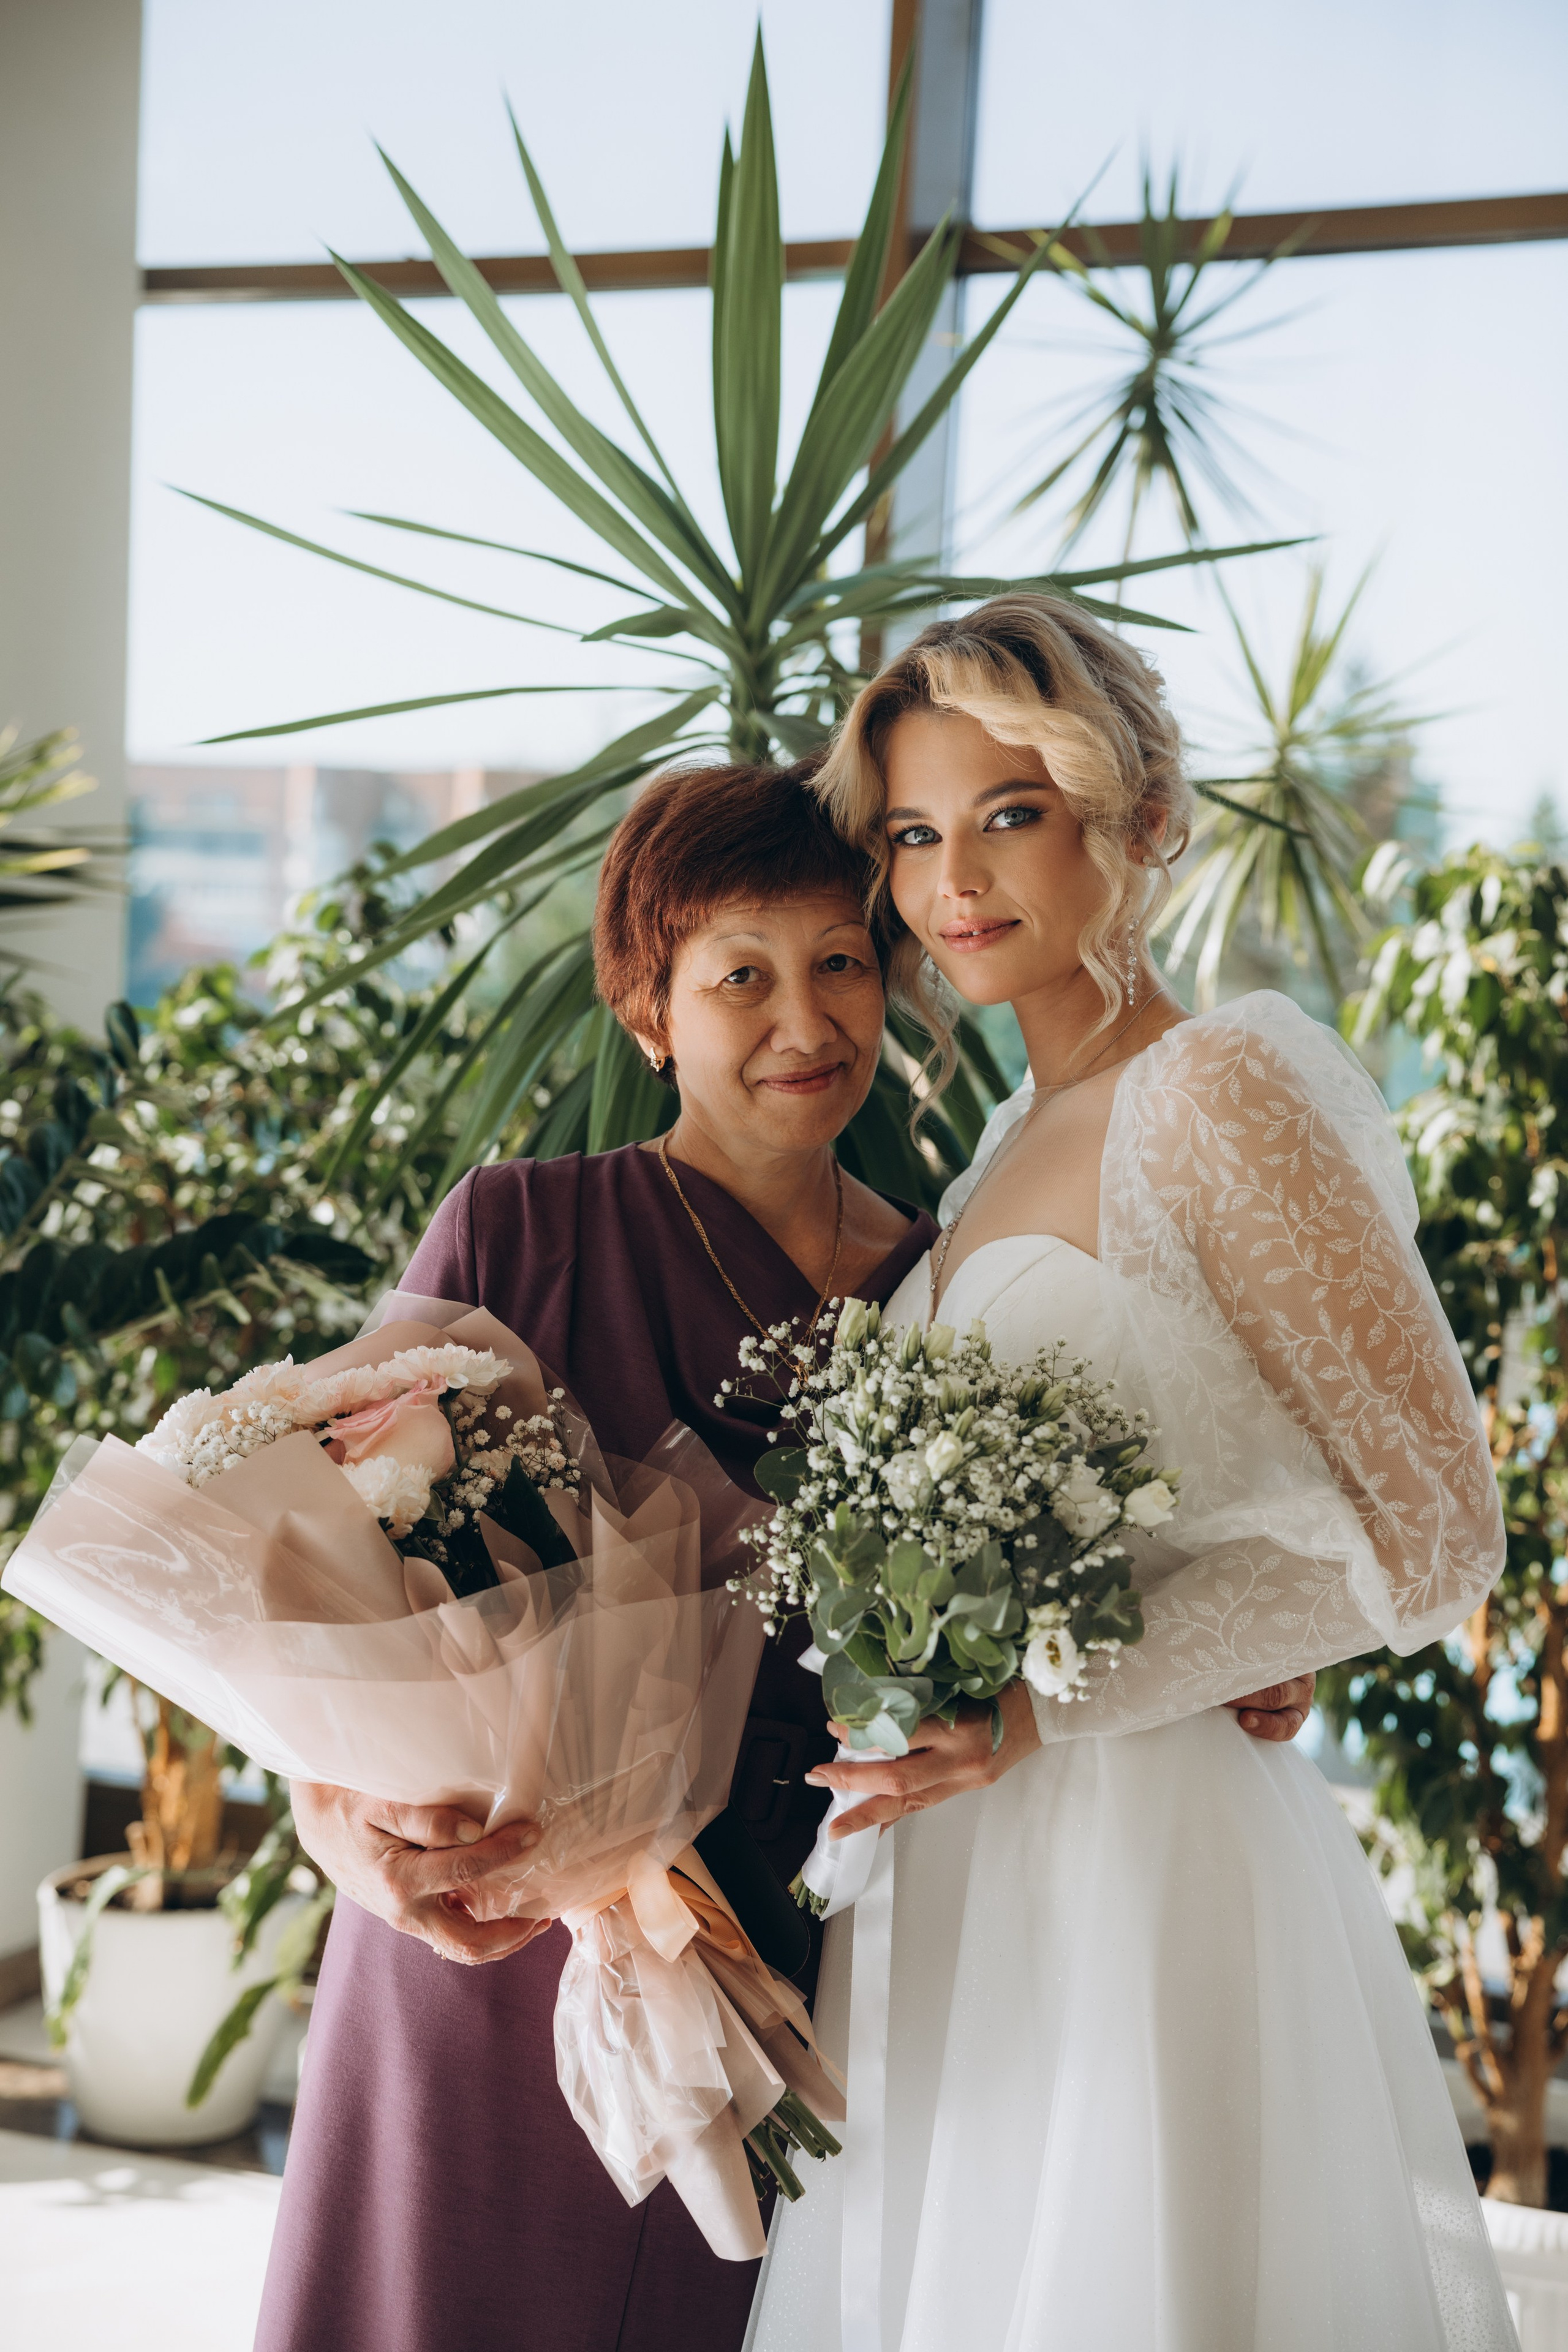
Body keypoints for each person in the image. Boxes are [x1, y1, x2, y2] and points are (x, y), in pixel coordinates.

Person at [254, 755, 1308, 2352]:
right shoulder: (516, 1231)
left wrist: (1223, 1654)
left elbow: (1066, 1560)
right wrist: (344, 1832)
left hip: (771, 1960)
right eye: (739, 976)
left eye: (839, 964)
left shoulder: (945, 1286)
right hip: (483, 1947)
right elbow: (322, 1574)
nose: (805, 1023)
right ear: (646, 1008)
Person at [748, 599, 1516, 2350]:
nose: (956, 880)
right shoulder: (1002, 1144)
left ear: (1136, 814)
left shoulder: (1217, 1091)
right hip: (949, 1871)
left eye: (1008, 815)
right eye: (917, 836)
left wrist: (1050, 1710)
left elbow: (1438, 1531)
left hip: (1136, 1864)